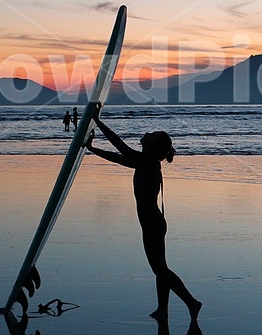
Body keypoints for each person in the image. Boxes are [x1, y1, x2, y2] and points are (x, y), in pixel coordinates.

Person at [86, 109, 201, 322]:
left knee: (160, 269)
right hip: (154, 223)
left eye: (151, 135)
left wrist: (97, 122)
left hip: (152, 224)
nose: (146, 135)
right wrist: (92, 149)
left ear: (152, 146)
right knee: (161, 268)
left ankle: (192, 303)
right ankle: (163, 309)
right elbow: (118, 158)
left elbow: (119, 147)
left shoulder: (146, 162)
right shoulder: (145, 161)